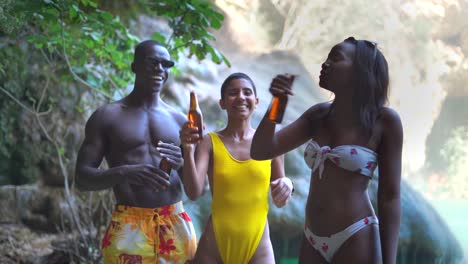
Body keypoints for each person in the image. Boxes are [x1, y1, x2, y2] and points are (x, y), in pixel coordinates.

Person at [251, 37, 402, 264]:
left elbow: (390, 196)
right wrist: (277, 104)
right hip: (313, 237)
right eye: (327, 57)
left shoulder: (384, 121)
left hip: (356, 234)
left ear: (361, 70)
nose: (325, 63)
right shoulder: (317, 116)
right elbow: (262, 150)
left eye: (336, 58)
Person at [75, 40, 197, 264]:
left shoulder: (180, 121)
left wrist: (183, 163)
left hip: (175, 223)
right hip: (129, 223)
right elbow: (82, 179)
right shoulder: (107, 117)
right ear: (134, 67)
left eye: (165, 64)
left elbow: (198, 189)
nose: (159, 69)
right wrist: (125, 172)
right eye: (152, 62)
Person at [179, 72, 294, 264]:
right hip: (214, 245)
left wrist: (287, 183)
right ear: (222, 103)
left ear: (256, 101)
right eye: (233, 93)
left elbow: (280, 200)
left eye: (247, 92)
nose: (241, 97)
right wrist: (188, 150)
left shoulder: (271, 143)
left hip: (258, 245)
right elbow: (193, 192)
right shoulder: (209, 142)